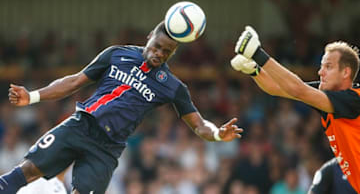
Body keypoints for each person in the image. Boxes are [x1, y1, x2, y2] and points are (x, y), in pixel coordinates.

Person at [1, 21, 243, 194]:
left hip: (106, 148)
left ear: (173, 53)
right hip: (80, 125)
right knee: (25, 172)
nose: (158, 54)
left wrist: (218, 134)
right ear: (149, 36)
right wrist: (32, 97)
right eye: (157, 46)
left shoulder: (173, 86)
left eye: (166, 52)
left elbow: (199, 124)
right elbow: (75, 81)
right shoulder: (117, 53)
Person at [230, 26, 360, 193]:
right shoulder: (327, 96)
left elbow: (298, 89)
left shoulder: (353, 99)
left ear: (345, 72)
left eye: (328, 66)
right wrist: (254, 70)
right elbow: (277, 88)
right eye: (321, 66)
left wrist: (257, 53)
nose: (320, 72)